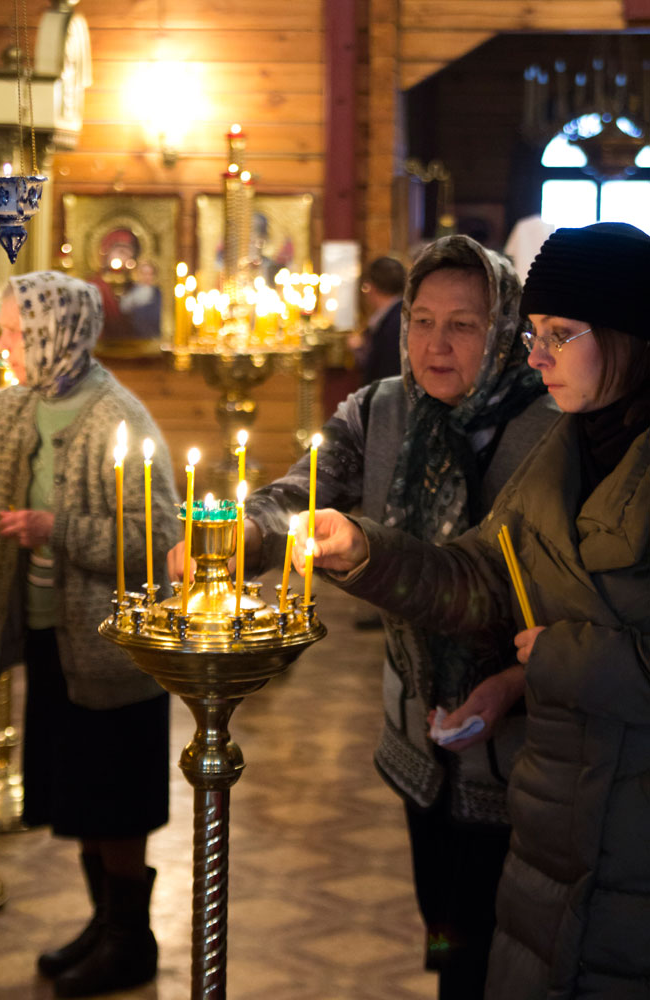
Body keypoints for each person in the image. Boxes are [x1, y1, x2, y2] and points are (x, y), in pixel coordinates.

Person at [168, 234, 557, 998]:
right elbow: (298, 494)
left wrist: (517, 680)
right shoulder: (380, 410)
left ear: (506, 329)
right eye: (420, 321)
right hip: (418, 731)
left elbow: (559, 595)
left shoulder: (547, 426)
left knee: (498, 942)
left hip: (521, 746)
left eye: (462, 325)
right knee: (440, 919)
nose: (434, 345)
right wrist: (243, 535)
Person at [295, 221, 650, 999]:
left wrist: (555, 660)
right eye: (530, 334)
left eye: (557, 335)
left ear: (626, 336)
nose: (535, 356)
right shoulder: (566, 449)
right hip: (559, 810)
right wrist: (363, 550)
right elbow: (481, 576)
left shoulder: (557, 435)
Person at [0, 271, 180, 998]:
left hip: (111, 651)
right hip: (50, 640)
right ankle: (105, 926)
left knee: (115, 796)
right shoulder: (17, 406)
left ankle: (131, 942)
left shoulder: (116, 416)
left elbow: (158, 536)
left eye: (12, 333)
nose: (2, 346)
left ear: (51, 335)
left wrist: (56, 529)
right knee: (83, 793)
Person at [348, 255, 406, 384]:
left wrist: (359, 348)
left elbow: (386, 371)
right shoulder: (399, 314)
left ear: (370, 287)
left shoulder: (394, 322)